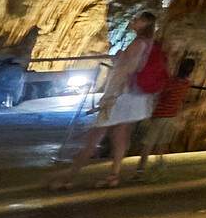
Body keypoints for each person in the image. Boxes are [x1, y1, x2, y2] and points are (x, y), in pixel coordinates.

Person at [48, 11, 166, 190]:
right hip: (137, 98)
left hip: (121, 96)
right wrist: (120, 59)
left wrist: (108, 96)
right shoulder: (150, 43)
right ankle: (113, 176)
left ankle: (68, 179)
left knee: (94, 136)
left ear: (144, 23)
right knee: (121, 136)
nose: (132, 21)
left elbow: (124, 71)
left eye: (136, 20)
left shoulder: (137, 44)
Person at [132, 56, 198, 182]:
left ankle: (140, 171)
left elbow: (160, 94)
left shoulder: (171, 82)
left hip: (159, 116)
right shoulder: (186, 84)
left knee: (148, 144)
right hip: (171, 117)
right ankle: (159, 170)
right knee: (161, 145)